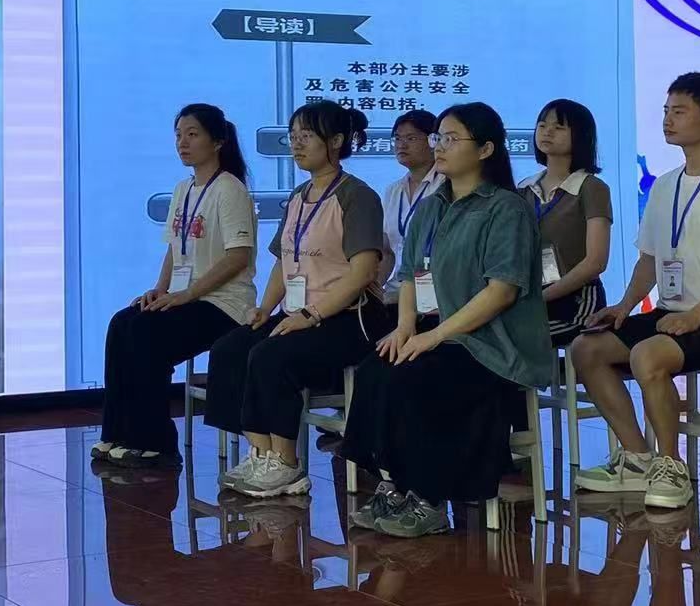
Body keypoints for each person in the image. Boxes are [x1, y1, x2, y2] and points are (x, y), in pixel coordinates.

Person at [342, 102, 551, 538]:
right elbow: (409, 277)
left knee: (417, 379)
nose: (439, 146)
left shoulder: (505, 208)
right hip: (441, 335)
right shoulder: (431, 207)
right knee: (377, 369)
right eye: (438, 137)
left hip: (491, 344)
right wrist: (405, 328)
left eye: (451, 139)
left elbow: (501, 291)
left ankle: (428, 498)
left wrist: (434, 336)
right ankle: (394, 483)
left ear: (485, 149)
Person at [573, 73, 700, 509]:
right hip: (672, 314)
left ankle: (671, 467)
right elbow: (649, 259)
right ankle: (637, 459)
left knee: (648, 355)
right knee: (587, 349)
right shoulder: (665, 184)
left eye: (679, 111)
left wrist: (696, 315)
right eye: (666, 111)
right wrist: (624, 306)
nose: (667, 119)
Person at [206, 102, 388, 500]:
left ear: (336, 141)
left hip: (349, 316)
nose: (296, 145)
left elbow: (362, 273)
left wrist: (311, 313)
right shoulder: (298, 196)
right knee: (230, 348)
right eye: (293, 137)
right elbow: (283, 262)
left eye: (306, 136)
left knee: (272, 355)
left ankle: (287, 464)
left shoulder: (358, 196)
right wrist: (264, 309)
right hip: (300, 312)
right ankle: (262, 453)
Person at [94, 104, 256, 467]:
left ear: (218, 141)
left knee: (147, 334)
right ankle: (117, 432)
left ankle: (156, 444)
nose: (183, 142)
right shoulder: (183, 189)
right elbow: (174, 248)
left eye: (192, 134)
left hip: (224, 304)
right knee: (123, 322)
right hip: (188, 297)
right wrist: (160, 289)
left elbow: (238, 257)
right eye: (179, 135)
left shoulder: (229, 189)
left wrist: (187, 294)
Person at [518, 100, 613, 346]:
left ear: (580, 135)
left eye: (558, 127)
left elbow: (596, 262)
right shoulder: (524, 189)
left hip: (576, 301)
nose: (547, 131)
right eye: (542, 125)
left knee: (515, 338)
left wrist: (539, 299)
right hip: (530, 297)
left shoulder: (592, 188)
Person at [380, 110, 442, 304]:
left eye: (411, 138)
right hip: (395, 294)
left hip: (437, 296)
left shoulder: (447, 186)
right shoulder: (393, 191)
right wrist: (373, 290)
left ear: (433, 141)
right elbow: (387, 251)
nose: (401, 145)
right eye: (397, 138)